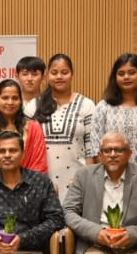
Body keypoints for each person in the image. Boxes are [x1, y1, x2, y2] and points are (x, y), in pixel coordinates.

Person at [33, 53, 96, 193]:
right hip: (40, 182)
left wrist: (87, 179)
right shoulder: (34, 105)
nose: (59, 76)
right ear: (47, 76)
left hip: (77, 182)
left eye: (64, 72)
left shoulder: (86, 105)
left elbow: (91, 148)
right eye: (54, 72)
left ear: (72, 74)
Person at [92, 53, 137, 161]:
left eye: (132, 73)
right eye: (121, 74)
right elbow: (95, 145)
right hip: (110, 169)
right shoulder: (103, 107)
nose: (126, 77)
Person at [0, 79, 48, 173]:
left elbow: (39, 163)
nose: (10, 102)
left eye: (15, 98)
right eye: (5, 98)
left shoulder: (32, 127)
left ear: (20, 101)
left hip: (30, 180)